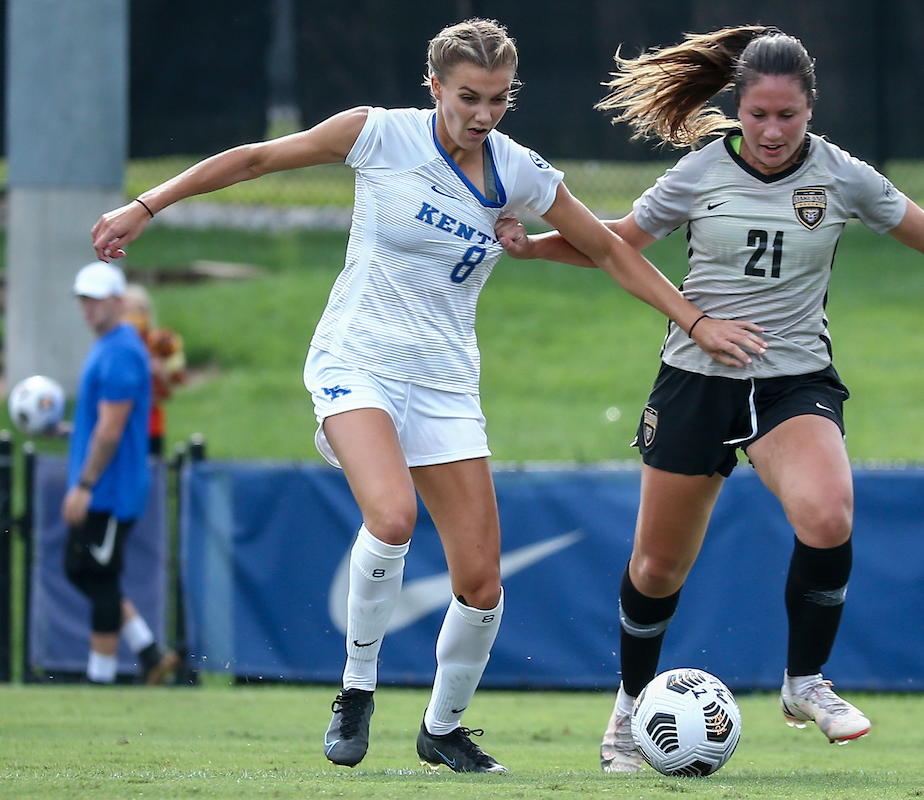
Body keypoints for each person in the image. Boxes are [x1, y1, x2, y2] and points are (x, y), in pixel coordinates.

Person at [90, 19, 763, 773]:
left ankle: (442, 729)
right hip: (356, 361)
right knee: (392, 515)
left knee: (481, 583)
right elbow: (256, 157)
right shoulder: (379, 135)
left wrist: (694, 321)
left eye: (499, 99)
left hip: (444, 383)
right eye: (468, 97)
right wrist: (145, 206)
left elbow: (608, 247)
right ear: (434, 86)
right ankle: (355, 692)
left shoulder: (520, 171)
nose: (483, 114)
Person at [494, 26, 924, 772]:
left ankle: (805, 682)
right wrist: (533, 246)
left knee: (828, 512)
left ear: (811, 109)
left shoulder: (841, 175)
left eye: (788, 115)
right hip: (696, 380)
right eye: (758, 115)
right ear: (738, 108)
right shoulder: (698, 173)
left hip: (794, 381)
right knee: (658, 569)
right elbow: (619, 240)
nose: (773, 131)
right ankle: (629, 707)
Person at [62, 262, 181, 686]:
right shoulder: (111, 345)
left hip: (111, 487)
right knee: (85, 570)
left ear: (117, 301)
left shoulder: (120, 350)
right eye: (84, 299)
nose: (88, 308)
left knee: (96, 573)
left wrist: (85, 484)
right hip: (105, 483)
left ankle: (102, 678)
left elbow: (112, 428)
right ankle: (149, 652)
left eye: (96, 299)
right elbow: (103, 421)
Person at [121, 284, 187, 456]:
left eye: (140, 311)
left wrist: (160, 372)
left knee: (153, 469)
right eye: (129, 311)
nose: (135, 317)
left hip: (151, 425)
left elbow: (169, 391)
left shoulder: (157, 343)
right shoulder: (117, 345)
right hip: (122, 422)